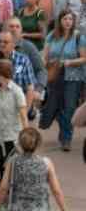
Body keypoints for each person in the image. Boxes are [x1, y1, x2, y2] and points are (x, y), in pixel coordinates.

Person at [0, 127, 67, 211]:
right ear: (38, 144)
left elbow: (3, 188)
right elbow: (56, 190)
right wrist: (63, 209)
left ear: (20, 144)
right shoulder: (46, 163)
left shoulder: (13, 162)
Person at [43, 9, 85, 151]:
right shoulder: (52, 36)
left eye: (70, 19)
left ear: (73, 22)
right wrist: (47, 62)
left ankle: (66, 138)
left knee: (69, 108)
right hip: (55, 75)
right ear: (59, 21)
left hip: (73, 77)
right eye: (65, 19)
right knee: (56, 107)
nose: (68, 22)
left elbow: (84, 58)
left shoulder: (79, 37)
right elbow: (45, 55)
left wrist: (69, 62)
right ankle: (64, 131)